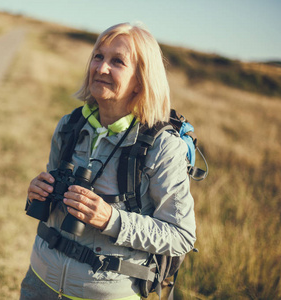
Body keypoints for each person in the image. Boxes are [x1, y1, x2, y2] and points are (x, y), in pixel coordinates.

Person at [21, 22, 196, 300]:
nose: (101, 68)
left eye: (117, 62)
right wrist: (37, 192)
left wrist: (111, 219)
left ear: (141, 79)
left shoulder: (162, 147)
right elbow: (51, 197)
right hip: (40, 280)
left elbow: (181, 236)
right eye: (98, 56)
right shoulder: (71, 125)